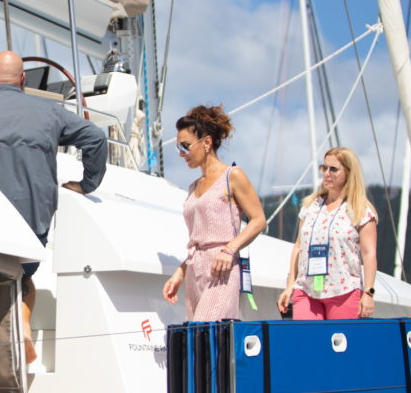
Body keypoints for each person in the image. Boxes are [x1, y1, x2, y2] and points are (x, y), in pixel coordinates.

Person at [0, 51, 108, 363]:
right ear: (23, 80)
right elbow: (95, 138)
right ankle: (23, 325)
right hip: (32, 219)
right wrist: (87, 184)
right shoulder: (49, 111)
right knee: (24, 278)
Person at [162, 105, 266, 320]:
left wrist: (230, 249)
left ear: (206, 142)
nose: (182, 154)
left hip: (222, 267)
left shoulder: (232, 176)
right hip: (194, 269)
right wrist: (180, 272)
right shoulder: (193, 187)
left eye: (185, 146)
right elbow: (198, 239)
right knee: (197, 339)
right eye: (178, 148)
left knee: (208, 331)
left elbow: (258, 220)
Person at [277, 147, 378, 320]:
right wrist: (289, 286)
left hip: (343, 289)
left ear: (349, 172)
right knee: (308, 344)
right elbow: (298, 247)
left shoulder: (361, 210)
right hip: (307, 289)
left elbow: (369, 254)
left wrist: (368, 293)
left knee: (341, 345)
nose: (326, 174)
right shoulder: (311, 206)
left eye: (333, 169)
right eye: (324, 168)